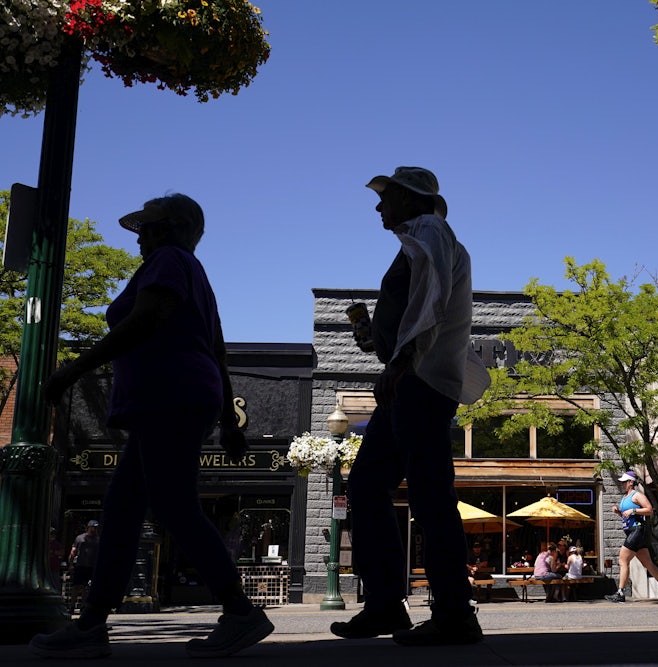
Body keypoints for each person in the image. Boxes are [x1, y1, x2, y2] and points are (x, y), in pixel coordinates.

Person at [31, 193, 273, 659]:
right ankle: (92, 624)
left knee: (173, 504)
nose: (141, 236)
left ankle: (240, 611)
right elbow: (217, 351)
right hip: (178, 397)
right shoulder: (194, 273)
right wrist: (228, 420)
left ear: (173, 229)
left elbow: (146, 319)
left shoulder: (167, 261)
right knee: (122, 512)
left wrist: (75, 369)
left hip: (169, 395)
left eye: (149, 227)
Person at [329, 167, 490, 646]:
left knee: (427, 494)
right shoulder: (421, 238)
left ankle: (453, 613)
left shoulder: (429, 230)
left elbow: (431, 297)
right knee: (371, 483)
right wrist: (385, 345)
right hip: (412, 381)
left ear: (409, 198)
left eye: (386, 198)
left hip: (417, 383)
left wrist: (399, 362)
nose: (380, 207)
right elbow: (421, 305)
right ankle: (386, 605)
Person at [604, 471, 658, 604]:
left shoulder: (637, 495)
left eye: (625, 482)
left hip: (637, 530)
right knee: (647, 563)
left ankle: (620, 593)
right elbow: (626, 517)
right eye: (622, 482)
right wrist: (619, 512)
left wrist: (634, 510)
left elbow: (649, 509)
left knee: (622, 560)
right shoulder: (625, 497)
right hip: (633, 531)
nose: (622, 484)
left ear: (631, 482)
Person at [67, 521, 99, 611]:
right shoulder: (80, 538)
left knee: (87, 587)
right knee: (76, 586)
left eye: (96, 527)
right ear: (89, 527)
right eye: (94, 527)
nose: (95, 529)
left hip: (91, 566)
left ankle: (83, 606)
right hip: (80, 565)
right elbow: (73, 551)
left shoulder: (97, 540)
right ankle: (72, 606)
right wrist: (71, 563)